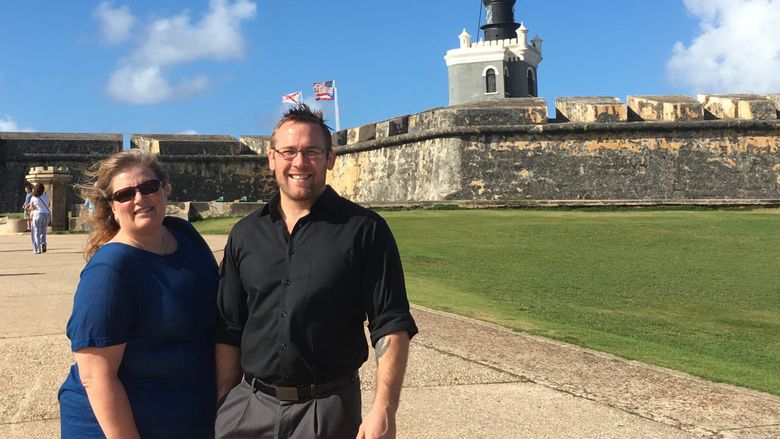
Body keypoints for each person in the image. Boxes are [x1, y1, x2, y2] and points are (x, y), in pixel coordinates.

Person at [214, 104, 418, 439]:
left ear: (330, 158)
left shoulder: (364, 230)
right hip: (250, 405)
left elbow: (390, 322)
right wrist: (225, 402)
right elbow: (228, 327)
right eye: (289, 151)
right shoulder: (245, 234)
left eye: (311, 152)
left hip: (327, 409)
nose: (299, 163)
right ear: (271, 158)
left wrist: (384, 408)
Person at [58, 149, 220, 438]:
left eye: (148, 187)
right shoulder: (110, 270)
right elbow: (96, 376)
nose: (140, 199)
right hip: (118, 427)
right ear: (111, 206)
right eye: (125, 194)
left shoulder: (182, 234)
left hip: (187, 417)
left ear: (165, 189)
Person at [28, 183, 51, 254]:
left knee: (36, 232)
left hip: (37, 215)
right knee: (43, 231)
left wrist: (32, 207)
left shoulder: (34, 197)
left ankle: (37, 249)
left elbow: (31, 207)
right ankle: (43, 243)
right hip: (46, 215)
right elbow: (49, 205)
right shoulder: (46, 197)